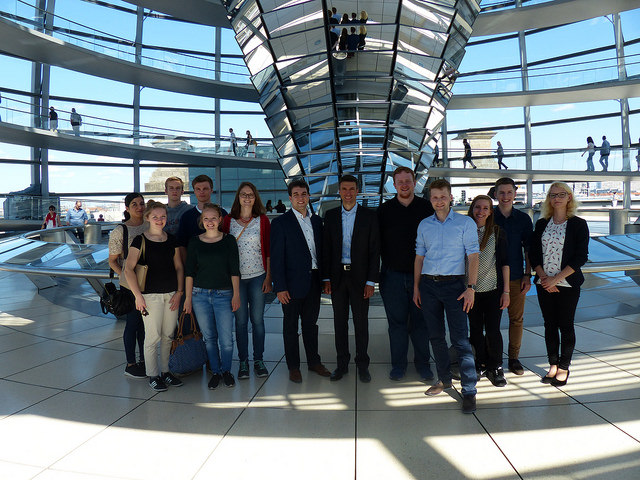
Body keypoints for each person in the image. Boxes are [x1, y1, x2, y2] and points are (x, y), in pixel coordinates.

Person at [413, 178, 479, 414]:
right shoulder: (424, 225)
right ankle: (444, 379)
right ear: (430, 199)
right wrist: (416, 287)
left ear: (450, 197)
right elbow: (419, 258)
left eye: (442, 197)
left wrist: (471, 287)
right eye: (434, 197)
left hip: (455, 287)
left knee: (461, 340)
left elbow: (473, 256)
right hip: (429, 285)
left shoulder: (465, 223)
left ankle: (469, 390)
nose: (438, 201)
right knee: (436, 337)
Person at [270, 179, 331, 383]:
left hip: (313, 281)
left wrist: (325, 279)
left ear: (308, 196)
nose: (300, 198)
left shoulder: (316, 221)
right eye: (296, 194)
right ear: (290, 198)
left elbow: (321, 253)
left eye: (303, 194)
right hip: (290, 284)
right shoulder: (280, 223)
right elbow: (276, 257)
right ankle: (293, 366)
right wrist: (279, 287)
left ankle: (314, 362)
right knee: (290, 327)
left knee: (310, 324)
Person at [377, 166, 435, 382]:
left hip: (422, 276)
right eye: (399, 181)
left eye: (407, 181)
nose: (404, 185)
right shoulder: (384, 210)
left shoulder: (426, 208)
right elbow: (377, 245)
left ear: (414, 182)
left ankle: (423, 364)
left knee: (421, 322)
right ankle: (398, 366)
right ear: (394, 184)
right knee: (397, 323)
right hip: (392, 276)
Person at [322, 175, 380, 383]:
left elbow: (375, 251)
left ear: (358, 191)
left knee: (361, 322)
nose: (348, 193)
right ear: (339, 191)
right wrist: (326, 278)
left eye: (352, 189)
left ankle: (362, 364)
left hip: (360, 277)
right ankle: (342, 364)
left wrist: (371, 281)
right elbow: (326, 250)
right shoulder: (330, 216)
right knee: (340, 323)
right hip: (337, 277)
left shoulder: (369, 216)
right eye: (344, 189)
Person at [530, 183, 588, 387]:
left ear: (569, 197)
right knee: (549, 325)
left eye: (561, 194)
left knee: (566, 325)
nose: (557, 198)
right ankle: (552, 364)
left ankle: (564, 366)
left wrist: (556, 279)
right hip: (544, 282)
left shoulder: (578, 224)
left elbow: (581, 257)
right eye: (553, 195)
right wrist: (545, 278)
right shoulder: (542, 223)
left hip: (568, 284)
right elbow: (534, 254)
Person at [124, 201, 184, 392]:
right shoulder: (139, 240)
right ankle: (153, 374)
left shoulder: (171, 239)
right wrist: (138, 296)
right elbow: (128, 269)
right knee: (152, 337)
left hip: (171, 295)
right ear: (148, 217)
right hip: (150, 297)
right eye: (155, 216)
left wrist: (180, 292)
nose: (160, 220)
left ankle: (166, 371)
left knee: (168, 335)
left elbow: (179, 267)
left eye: (163, 216)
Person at [184, 203, 241, 389]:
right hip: (199, 295)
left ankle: (226, 370)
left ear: (220, 220)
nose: (210, 222)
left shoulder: (229, 240)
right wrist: (188, 299)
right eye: (206, 218)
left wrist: (236, 294)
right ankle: (215, 372)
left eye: (213, 218)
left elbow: (234, 270)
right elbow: (189, 272)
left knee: (226, 339)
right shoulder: (194, 242)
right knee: (209, 338)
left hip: (224, 295)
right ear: (202, 221)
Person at [221, 182, 272, 379]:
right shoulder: (228, 220)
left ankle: (258, 359)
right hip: (237, 279)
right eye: (243, 194)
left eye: (250, 194)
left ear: (255, 197)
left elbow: (268, 250)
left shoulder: (263, 220)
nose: (247, 198)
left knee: (257, 320)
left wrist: (269, 276)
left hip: (258, 276)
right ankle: (243, 362)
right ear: (238, 197)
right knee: (240, 321)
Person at [467, 195, 510, 387]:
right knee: (475, 330)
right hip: (471, 292)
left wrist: (506, 291)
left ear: (490, 212)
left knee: (493, 330)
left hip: (493, 290)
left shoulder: (497, 232)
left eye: (485, 208)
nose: (481, 211)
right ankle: (480, 362)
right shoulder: (464, 231)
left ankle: (496, 366)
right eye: (477, 207)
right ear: (472, 209)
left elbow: (505, 264)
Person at [493, 177, 533, 376]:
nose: (505, 197)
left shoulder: (524, 219)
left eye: (509, 192)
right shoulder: (488, 216)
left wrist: (528, 274)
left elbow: (528, 249)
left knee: (516, 319)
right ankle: (494, 358)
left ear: (515, 194)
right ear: (495, 194)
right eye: (502, 193)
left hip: (517, 276)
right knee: (492, 320)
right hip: (492, 278)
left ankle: (514, 358)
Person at [108, 193, 147, 379]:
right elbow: (113, 260)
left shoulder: (150, 224)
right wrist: (125, 277)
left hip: (149, 283)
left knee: (144, 325)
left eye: (142, 203)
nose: (139, 207)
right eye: (134, 204)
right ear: (127, 208)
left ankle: (144, 360)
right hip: (130, 286)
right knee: (133, 323)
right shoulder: (120, 231)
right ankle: (131, 363)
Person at [177, 174, 228, 264]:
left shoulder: (222, 214)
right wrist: (188, 267)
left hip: (220, 266)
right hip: (196, 268)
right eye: (198, 189)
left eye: (205, 189)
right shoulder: (186, 217)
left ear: (211, 190)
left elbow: (228, 240)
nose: (201, 192)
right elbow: (182, 245)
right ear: (194, 191)